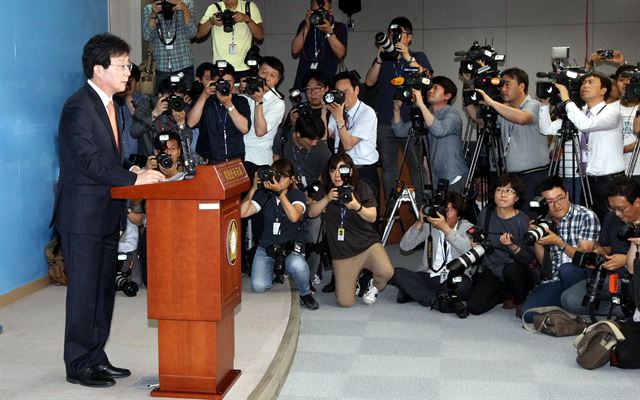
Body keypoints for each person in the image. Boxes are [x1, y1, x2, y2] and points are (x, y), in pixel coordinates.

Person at [52, 33, 163, 388]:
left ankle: (96, 355)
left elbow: (107, 161)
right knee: (84, 291)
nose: (129, 72)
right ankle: (78, 363)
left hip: (105, 212)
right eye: (123, 65)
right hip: (82, 216)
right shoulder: (77, 106)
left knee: (102, 290)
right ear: (99, 69)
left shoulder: (111, 105)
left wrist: (132, 170)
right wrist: (135, 180)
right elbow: (88, 162)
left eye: (129, 65)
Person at [307, 153, 394, 307]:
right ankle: (354, 281)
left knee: (387, 271)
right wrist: (326, 199)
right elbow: (311, 213)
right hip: (343, 253)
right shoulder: (325, 189)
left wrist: (357, 206)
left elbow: (372, 217)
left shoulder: (361, 187)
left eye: (342, 169)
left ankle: (373, 286)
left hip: (367, 245)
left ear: (351, 171)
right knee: (345, 302)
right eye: (332, 170)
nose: (337, 174)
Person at [364, 16, 433, 203]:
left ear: (409, 37)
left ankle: (421, 205)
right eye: (391, 33)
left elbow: (427, 77)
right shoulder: (384, 59)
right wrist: (379, 59)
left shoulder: (417, 56)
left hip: (410, 119)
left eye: (398, 33)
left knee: (416, 165)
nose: (393, 37)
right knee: (388, 167)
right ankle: (391, 206)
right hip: (385, 121)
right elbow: (369, 82)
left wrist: (407, 56)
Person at [468, 67, 549, 215]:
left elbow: (522, 118)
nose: (503, 89)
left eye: (507, 84)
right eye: (501, 85)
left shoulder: (536, 105)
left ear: (522, 86)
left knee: (531, 218)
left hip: (534, 175)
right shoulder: (504, 109)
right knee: (513, 217)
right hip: (513, 176)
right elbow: (477, 118)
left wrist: (492, 103)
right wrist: (468, 94)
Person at [240, 159, 319, 310]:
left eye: (283, 177)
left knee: (297, 265)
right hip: (267, 247)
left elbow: (294, 216)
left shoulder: (298, 195)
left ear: (292, 180)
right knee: (259, 286)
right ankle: (274, 272)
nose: (278, 179)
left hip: (291, 248)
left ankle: (305, 292)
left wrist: (280, 193)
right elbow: (242, 213)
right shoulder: (264, 194)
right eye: (276, 175)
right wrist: (253, 189)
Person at [521, 176, 600, 316]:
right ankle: (564, 306)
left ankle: (573, 305)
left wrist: (559, 243)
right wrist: (538, 241)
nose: (557, 205)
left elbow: (584, 257)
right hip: (555, 279)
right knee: (527, 314)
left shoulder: (586, 216)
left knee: (567, 269)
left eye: (560, 198)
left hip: (580, 276)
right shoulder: (544, 221)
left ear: (567, 195)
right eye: (550, 202)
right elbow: (544, 264)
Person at [562, 176, 638, 317]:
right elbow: (606, 246)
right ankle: (625, 310)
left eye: (621, 209)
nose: (617, 213)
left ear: (637, 202)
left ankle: (628, 308)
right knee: (569, 299)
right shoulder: (611, 217)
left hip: (635, 281)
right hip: (610, 280)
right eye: (612, 208)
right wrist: (599, 252)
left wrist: (626, 259)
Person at [556, 71, 624, 220]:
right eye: (584, 82)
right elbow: (547, 129)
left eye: (591, 82)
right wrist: (544, 104)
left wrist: (567, 100)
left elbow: (586, 125)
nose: (585, 85)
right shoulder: (579, 113)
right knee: (589, 221)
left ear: (603, 90)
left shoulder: (612, 113)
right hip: (587, 178)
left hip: (609, 180)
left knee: (611, 222)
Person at [465, 174, 536, 315]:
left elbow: (529, 259)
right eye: (499, 189)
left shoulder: (522, 220)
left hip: (517, 270)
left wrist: (512, 246)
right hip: (492, 269)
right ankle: (506, 292)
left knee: (511, 270)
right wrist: (475, 244)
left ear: (516, 198)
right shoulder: (486, 213)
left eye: (509, 191)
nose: (503, 194)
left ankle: (520, 299)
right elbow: (481, 240)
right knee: (474, 306)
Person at [273, 114, 331, 285]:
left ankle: (312, 274)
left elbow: (327, 176)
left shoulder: (321, 149)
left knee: (313, 235)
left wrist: (314, 197)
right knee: (286, 231)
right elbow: (277, 160)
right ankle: (282, 268)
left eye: (317, 139)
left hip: (314, 196)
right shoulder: (284, 138)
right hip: (289, 192)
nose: (315, 143)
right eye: (311, 139)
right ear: (297, 134)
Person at [390, 192, 474, 306]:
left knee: (463, 286)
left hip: (454, 277)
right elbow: (404, 246)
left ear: (459, 215)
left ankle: (419, 294)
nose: (444, 214)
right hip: (430, 276)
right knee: (395, 273)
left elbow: (469, 250)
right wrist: (419, 222)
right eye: (444, 209)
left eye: (449, 211)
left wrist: (446, 230)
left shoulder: (467, 227)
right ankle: (437, 300)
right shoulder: (430, 225)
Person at [392, 76, 469, 193]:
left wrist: (422, 106)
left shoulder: (452, 114)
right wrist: (396, 110)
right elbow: (400, 132)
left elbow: (439, 130)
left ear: (447, 96)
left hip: (454, 176)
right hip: (436, 178)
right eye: (430, 88)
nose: (430, 91)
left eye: (435, 88)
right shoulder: (427, 115)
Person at [326, 71, 380, 202]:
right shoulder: (338, 109)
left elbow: (348, 144)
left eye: (346, 92)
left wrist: (339, 119)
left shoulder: (367, 113)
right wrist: (324, 110)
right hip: (341, 170)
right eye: (338, 92)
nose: (343, 96)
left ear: (356, 90)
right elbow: (324, 136)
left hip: (362, 169)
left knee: (365, 212)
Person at [187, 61, 251, 163]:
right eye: (220, 82)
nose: (224, 85)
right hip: (208, 161)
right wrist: (204, 95)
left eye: (228, 81)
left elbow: (244, 128)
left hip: (234, 160)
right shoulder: (202, 100)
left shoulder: (240, 101)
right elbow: (191, 123)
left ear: (234, 81)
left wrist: (229, 104)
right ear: (212, 81)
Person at [240, 56, 286, 177]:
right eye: (264, 72)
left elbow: (260, 131)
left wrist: (258, 102)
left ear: (278, 80)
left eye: (272, 75)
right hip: (237, 154)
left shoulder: (277, 103)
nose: (266, 78)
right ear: (257, 72)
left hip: (258, 159)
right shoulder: (246, 93)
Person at [197, 0, 264, 78]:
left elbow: (260, 36)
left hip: (246, 67)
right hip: (221, 68)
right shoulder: (213, 8)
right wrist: (211, 21)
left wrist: (247, 19)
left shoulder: (248, 7)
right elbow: (198, 34)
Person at [291, 0, 347, 90]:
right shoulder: (305, 25)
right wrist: (307, 26)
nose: (318, 15)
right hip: (304, 84)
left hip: (326, 84)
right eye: (315, 11)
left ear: (330, 11)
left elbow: (340, 53)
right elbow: (295, 50)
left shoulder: (339, 27)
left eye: (322, 12)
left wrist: (329, 31)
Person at [131, 75, 193, 158]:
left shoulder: (182, 108)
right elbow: (134, 132)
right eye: (170, 98)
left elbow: (187, 146)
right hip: (149, 162)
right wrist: (154, 114)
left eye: (179, 98)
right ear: (160, 95)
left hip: (173, 164)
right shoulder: (147, 103)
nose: (175, 102)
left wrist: (181, 124)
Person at [142, 0, 197, 92]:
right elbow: (147, 37)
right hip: (162, 67)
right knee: (164, 102)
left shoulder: (187, 4)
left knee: (186, 101)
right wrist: (153, 14)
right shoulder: (149, 8)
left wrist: (184, 9)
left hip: (184, 66)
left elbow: (192, 33)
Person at [274, 70, 331, 157]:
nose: (312, 93)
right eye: (308, 89)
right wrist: (294, 124)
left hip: (322, 157)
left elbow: (325, 138)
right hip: (297, 155)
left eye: (317, 88)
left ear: (326, 89)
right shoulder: (298, 109)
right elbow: (285, 136)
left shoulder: (332, 111)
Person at [614, 65, 640, 183]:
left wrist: (621, 149)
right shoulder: (609, 108)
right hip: (615, 170)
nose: (625, 83)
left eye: (629, 79)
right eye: (621, 80)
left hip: (638, 171)